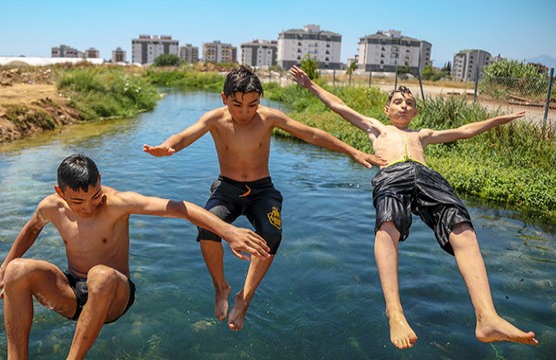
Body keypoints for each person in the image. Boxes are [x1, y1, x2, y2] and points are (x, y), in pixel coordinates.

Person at [290, 65, 539, 349]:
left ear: (416, 113)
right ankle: (394, 312)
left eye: (409, 103)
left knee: (463, 229)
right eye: (398, 101)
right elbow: (339, 106)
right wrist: (311, 86)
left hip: (427, 176)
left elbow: (464, 130)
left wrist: (498, 119)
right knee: (388, 227)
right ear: (386, 110)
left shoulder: (422, 134)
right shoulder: (377, 128)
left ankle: (487, 317)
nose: (404, 105)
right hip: (392, 174)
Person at [143, 65, 385, 331]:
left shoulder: (268, 117)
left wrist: (351, 151)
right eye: (237, 105)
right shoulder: (214, 119)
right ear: (224, 98)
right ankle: (220, 286)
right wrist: (169, 147)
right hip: (227, 188)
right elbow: (184, 135)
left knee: (272, 236)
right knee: (207, 227)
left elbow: (311, 133)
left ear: (260, 100)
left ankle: (244, 298)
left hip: (262, 190)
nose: (245, 113)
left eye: (252, 105)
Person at [0, 154, 270, 360]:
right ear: (60, 193)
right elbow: (31, 228)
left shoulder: (118, 203)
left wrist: (228, 231)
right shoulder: (50, 207)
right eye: (78, 202)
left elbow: (180, 208)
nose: (88, 207)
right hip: (72, 291)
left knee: (101, 275)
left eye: (95, 196)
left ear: (101, 182)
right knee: (16, 271)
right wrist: (2, 270)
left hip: (113, 293)